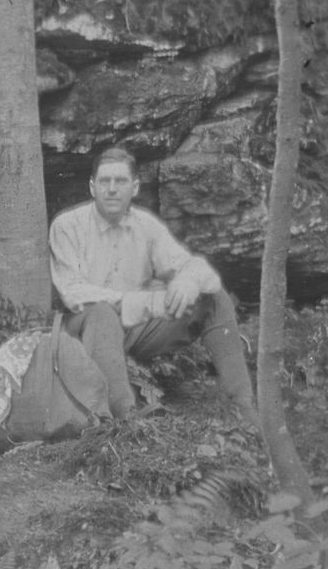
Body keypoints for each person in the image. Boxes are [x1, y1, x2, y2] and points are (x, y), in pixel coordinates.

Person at [49, 146, 258, 427]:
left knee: (214, 297)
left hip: (135, 330)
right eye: (104, 182)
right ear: (92, 187)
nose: (111, 189)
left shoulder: (146, 226)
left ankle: (244, 409)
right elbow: (73, 293)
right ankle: (125, 420)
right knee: (101, 312)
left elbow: (200, 271)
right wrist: (143, 302)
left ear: (134, 187)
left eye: (120, 181)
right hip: (82, 332)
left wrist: (187, 280)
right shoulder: (66, 226)